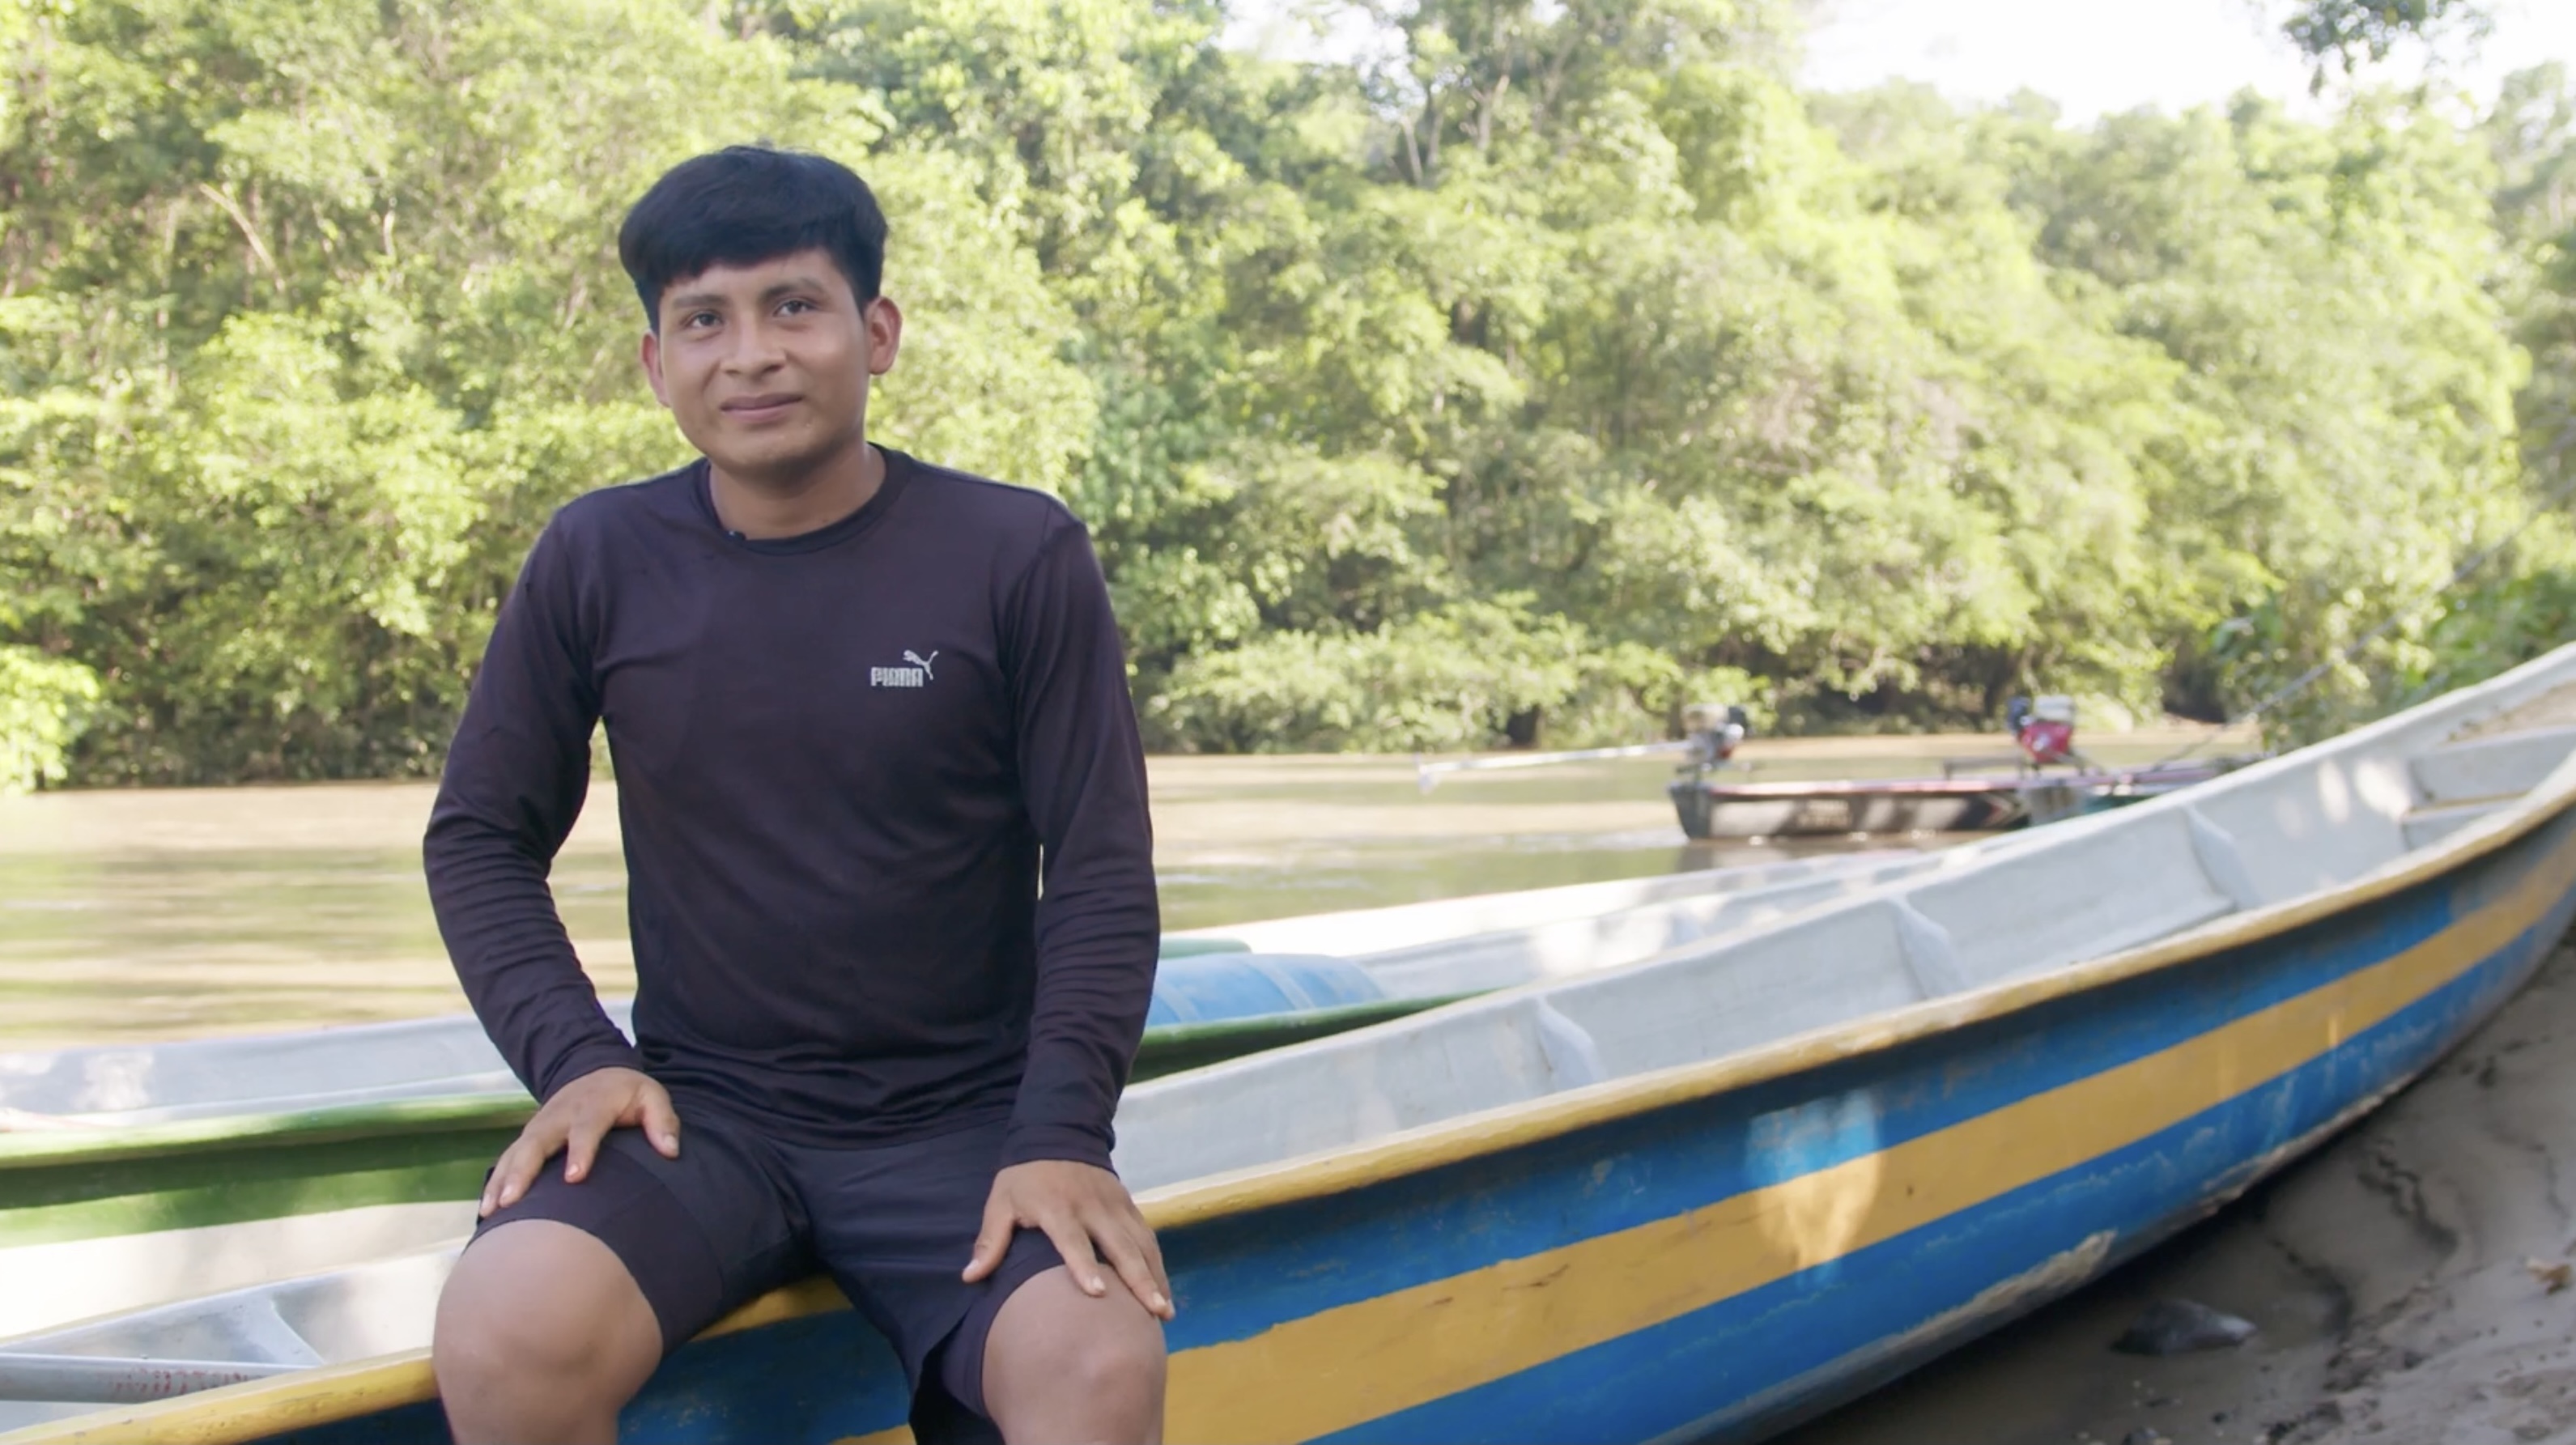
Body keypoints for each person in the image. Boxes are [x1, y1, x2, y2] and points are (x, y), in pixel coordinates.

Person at [422, 145, 1169, 1445]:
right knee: (504, 1324)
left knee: (1096, 1366)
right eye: (703, 320)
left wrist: (1062, 1130)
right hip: (701, 1119)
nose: (750, 353)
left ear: (874, 334)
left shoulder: (1013, 552)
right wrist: (577, 1060)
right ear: (657, 364)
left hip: (965, 1128)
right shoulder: (598, 557)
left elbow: (1097, 872)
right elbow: (481, 838)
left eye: (793, 307)